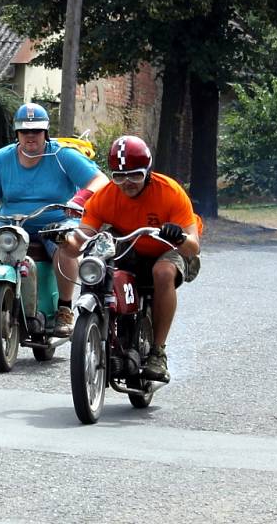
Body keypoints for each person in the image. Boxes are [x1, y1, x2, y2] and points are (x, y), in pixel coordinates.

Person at [0, 103, 109, 340]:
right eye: (24, 131)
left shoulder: (62, 155)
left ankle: (64, 309)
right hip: (11, 224)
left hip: (56, 220)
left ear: (45, 132)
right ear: (16, 133)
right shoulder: (1, 159)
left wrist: (78, 201)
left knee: (67, 244)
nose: (30, 136)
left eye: (36, 131)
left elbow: (100, 181)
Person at [65, 135, 202, 383]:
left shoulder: (170, 192)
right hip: (130, 248)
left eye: (135, 175)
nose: (127, 183)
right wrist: (67, 240)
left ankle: (158, 353)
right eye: (119, 176)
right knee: (97, 255)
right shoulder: (105, 197)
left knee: (162, 273)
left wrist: (179, 236)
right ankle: (108, 323)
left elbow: (193, 247)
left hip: (166, 249)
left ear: (148, 172)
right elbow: (81, 239)